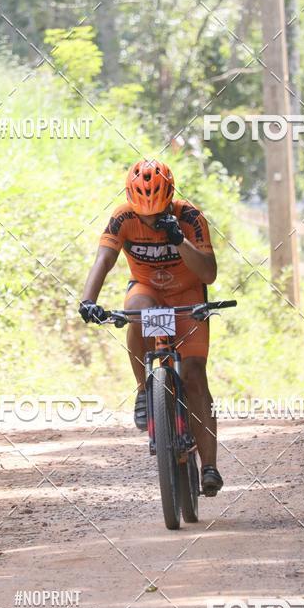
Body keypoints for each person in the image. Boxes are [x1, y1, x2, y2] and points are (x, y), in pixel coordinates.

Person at [78, 158, 224, 496]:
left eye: (157, 214)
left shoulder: (189, 216)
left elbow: (209, 274)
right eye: (144, 215)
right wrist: (88, 300)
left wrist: (179, 240)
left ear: (169, 200)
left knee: (194, 375)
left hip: (188, 295)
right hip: (148, 291)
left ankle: (209, 467)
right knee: (136, 312)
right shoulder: (122, 218)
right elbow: (104, 259)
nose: (150, 221)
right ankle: (145, 391)